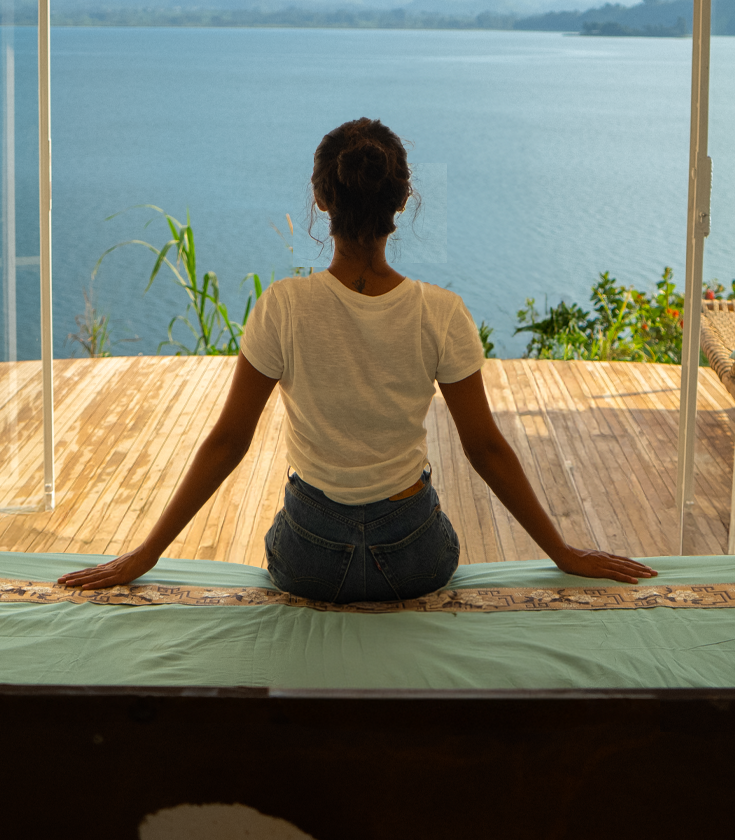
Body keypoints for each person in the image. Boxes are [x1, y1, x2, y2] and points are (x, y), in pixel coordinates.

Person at [59, 118, 657, 601]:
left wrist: (145, 554)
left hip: (309, 558)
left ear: (321, 201)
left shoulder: (283, 306)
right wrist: (565, 554)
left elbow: (227, 443)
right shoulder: (441, 311)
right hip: (414, 557)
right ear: (402, 200)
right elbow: (486, 449)